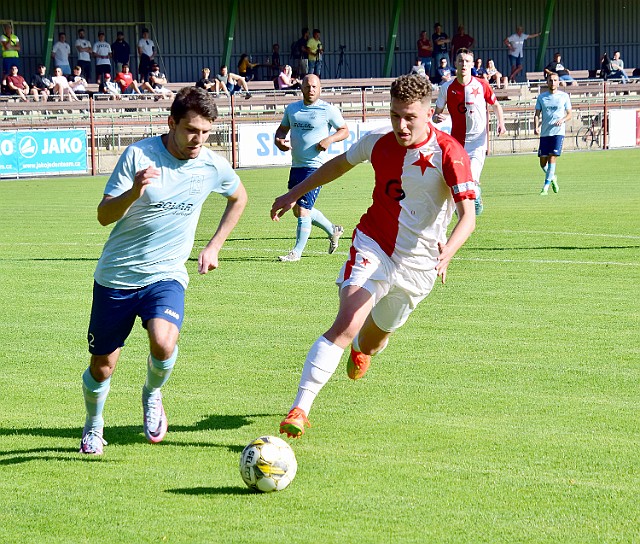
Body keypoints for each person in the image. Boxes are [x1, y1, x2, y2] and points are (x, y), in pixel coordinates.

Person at [271, 74, 476, 439]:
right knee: (347, 323)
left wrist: (448, 254)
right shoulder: (377, 143)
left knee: (373, 341)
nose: (401, 125)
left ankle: (362, 350)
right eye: (395, 115)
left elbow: (468, 216)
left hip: (419, 263)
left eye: (410, 116)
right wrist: (294, 194)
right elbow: (337, 165)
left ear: (429, 111)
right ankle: (300, 409)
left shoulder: (449, 153)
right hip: (374, 244)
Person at [79, 86, 248, 455]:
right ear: (171, 122)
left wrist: (214, 246)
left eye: (206, 132)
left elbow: (239, 197)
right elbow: (103, 215)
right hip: (117, 277)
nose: (198, 140)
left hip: (166, 274)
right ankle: (93, 426)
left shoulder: (211, 164)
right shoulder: (139, 155)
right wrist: (134, 191)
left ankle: (153, 394)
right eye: (191, 130)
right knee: (103, 368)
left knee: (163, 341)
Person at [273, 74, 349, 262]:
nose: (311, 90)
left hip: (316, 167)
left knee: (304, 209)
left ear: (320, 88)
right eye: (307, 87)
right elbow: (282, 129)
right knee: (298, 210)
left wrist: (329, 139)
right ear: (302, 88)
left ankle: (296, 253)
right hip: (297, 165)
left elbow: (344, 130)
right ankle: (333, 230)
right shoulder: (292, 109)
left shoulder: (327, 109)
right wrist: (279, 141)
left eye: (314, 87)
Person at [433, 48, 506, 215]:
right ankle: (466, 205)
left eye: (467, 61)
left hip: (478, 141)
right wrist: (437, 118)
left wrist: (501, 123)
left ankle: (473, 200)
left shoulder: (481, 84)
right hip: (457, 142)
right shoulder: (446, 87)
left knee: (470, 179)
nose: (463, 64)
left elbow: (496, 105)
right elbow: (436, 113)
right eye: (460, 60)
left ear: (472, 64)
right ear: (455, 64)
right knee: (457, 180)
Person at [534, 72, 571, 196]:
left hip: (558, 133)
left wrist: (563, 120)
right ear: (547, 82)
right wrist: (536, 127)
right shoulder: (542, 97)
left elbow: (570, 114)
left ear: (558, 82)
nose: (553, 82)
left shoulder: (564, 96)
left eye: (555, 80)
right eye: (551, 80)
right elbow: (537, 114)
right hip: (545, 133)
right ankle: (553, 177)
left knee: (552, 158)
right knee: (542, 163)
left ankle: (545, 187)